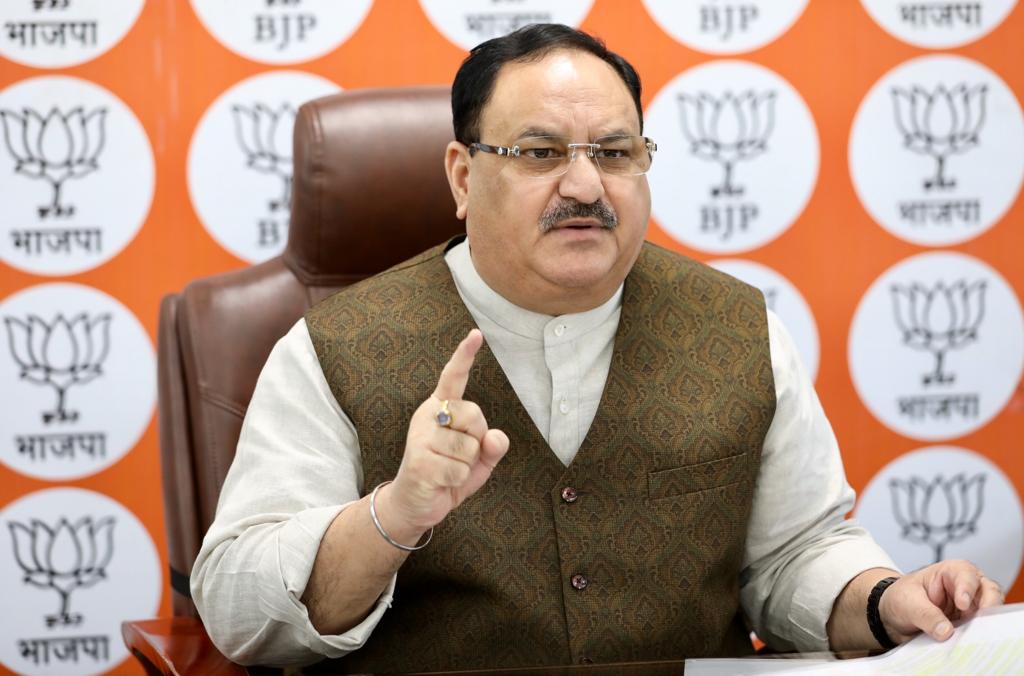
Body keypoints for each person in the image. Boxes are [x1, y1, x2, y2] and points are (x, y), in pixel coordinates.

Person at [191, 24, 1004, 671]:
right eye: (541, 153)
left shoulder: (737, 327)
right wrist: (389, 520)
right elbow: (236, 612)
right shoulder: (332, 348)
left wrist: (879, 599)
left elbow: (795, 552)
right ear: (463, 177)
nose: (585, 186)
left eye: (615, 153)